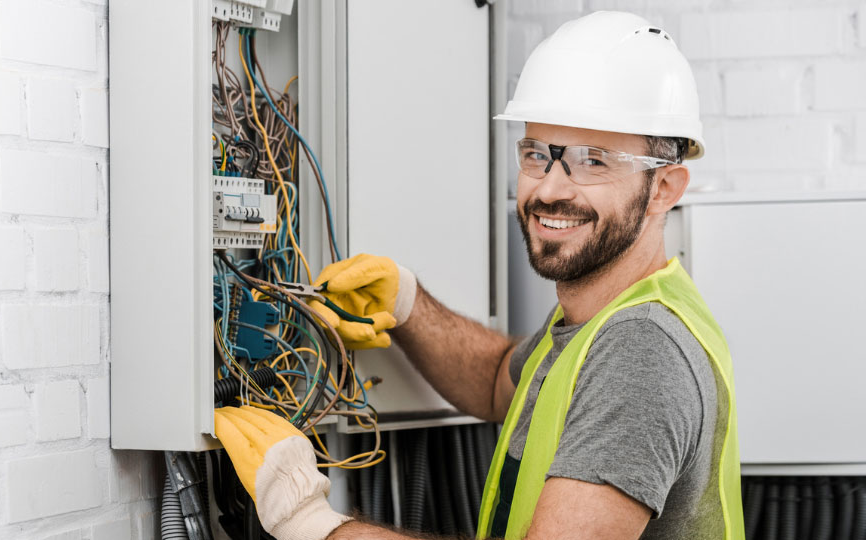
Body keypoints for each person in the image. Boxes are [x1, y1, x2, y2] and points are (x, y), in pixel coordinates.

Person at [215, 11, 746, 540]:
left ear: (665, 188)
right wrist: (407, 303)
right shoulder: (597, 319)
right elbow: (499, 382)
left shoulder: (640, 348)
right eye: (538, 154)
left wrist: (310, 524)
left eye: (593, 161)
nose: (550, 189)